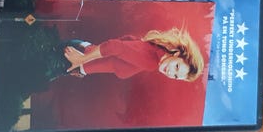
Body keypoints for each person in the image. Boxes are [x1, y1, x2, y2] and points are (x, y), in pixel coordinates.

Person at [63, 28, 204, 82]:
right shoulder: (150, 61)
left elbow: (126, 39)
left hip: (81, 55)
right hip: (74, 59)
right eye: (177, 67)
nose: (171, 73)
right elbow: (114, 46)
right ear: (177, 54)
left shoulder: (155, 48)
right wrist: (82, 60)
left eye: (176, 76)